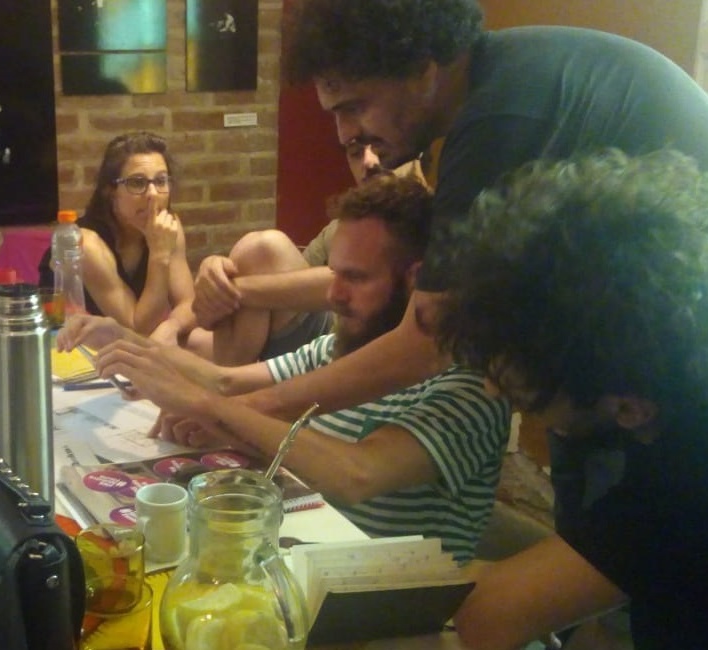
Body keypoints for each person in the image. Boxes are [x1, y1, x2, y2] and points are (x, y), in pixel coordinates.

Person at [239, 0, 708, 420]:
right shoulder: (503, 77)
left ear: (422, 71)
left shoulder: (497, 120)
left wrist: (251, 410)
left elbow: (427, 337)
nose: (345, 134)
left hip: (679, 337)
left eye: (355, 107)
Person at [61, 175, 510, 564]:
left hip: (386, 603)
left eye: (355, 278)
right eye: (333, 274)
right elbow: (225, 380)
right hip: (300, 564)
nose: (333, 295)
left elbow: (357, 474)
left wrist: (202, 405)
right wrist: (125, 340)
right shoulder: (336, 350)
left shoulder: (470, 387)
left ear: (415, 279)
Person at [429, 149, 708, 648]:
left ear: (628, 408)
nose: (494, 390)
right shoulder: (668, 393)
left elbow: (489, 617)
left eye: (524, 394)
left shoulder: (682, 485)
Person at [192, 142, 424, 365]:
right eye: (355, 153)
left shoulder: (431, 222)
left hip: (376, 347)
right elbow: (290, 284)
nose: (369, 162)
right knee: (193, 341)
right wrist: (213, 278)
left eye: (380, 148)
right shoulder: (343, 227)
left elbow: (349, 285)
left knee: (262, 249)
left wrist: (233, 291)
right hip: (329, 341)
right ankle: (227, 379)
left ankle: (226, 381)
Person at [39, 131, 209, 353]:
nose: (152, 194)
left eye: (161, 181)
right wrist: (159, 255)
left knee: (205, 341)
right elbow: (136, 328)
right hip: (67, 349)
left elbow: (188, 304)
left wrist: (172, 326)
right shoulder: (85, 243)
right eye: (137, 183)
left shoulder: (168, 227)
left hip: (121, 350)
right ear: (110, 191)